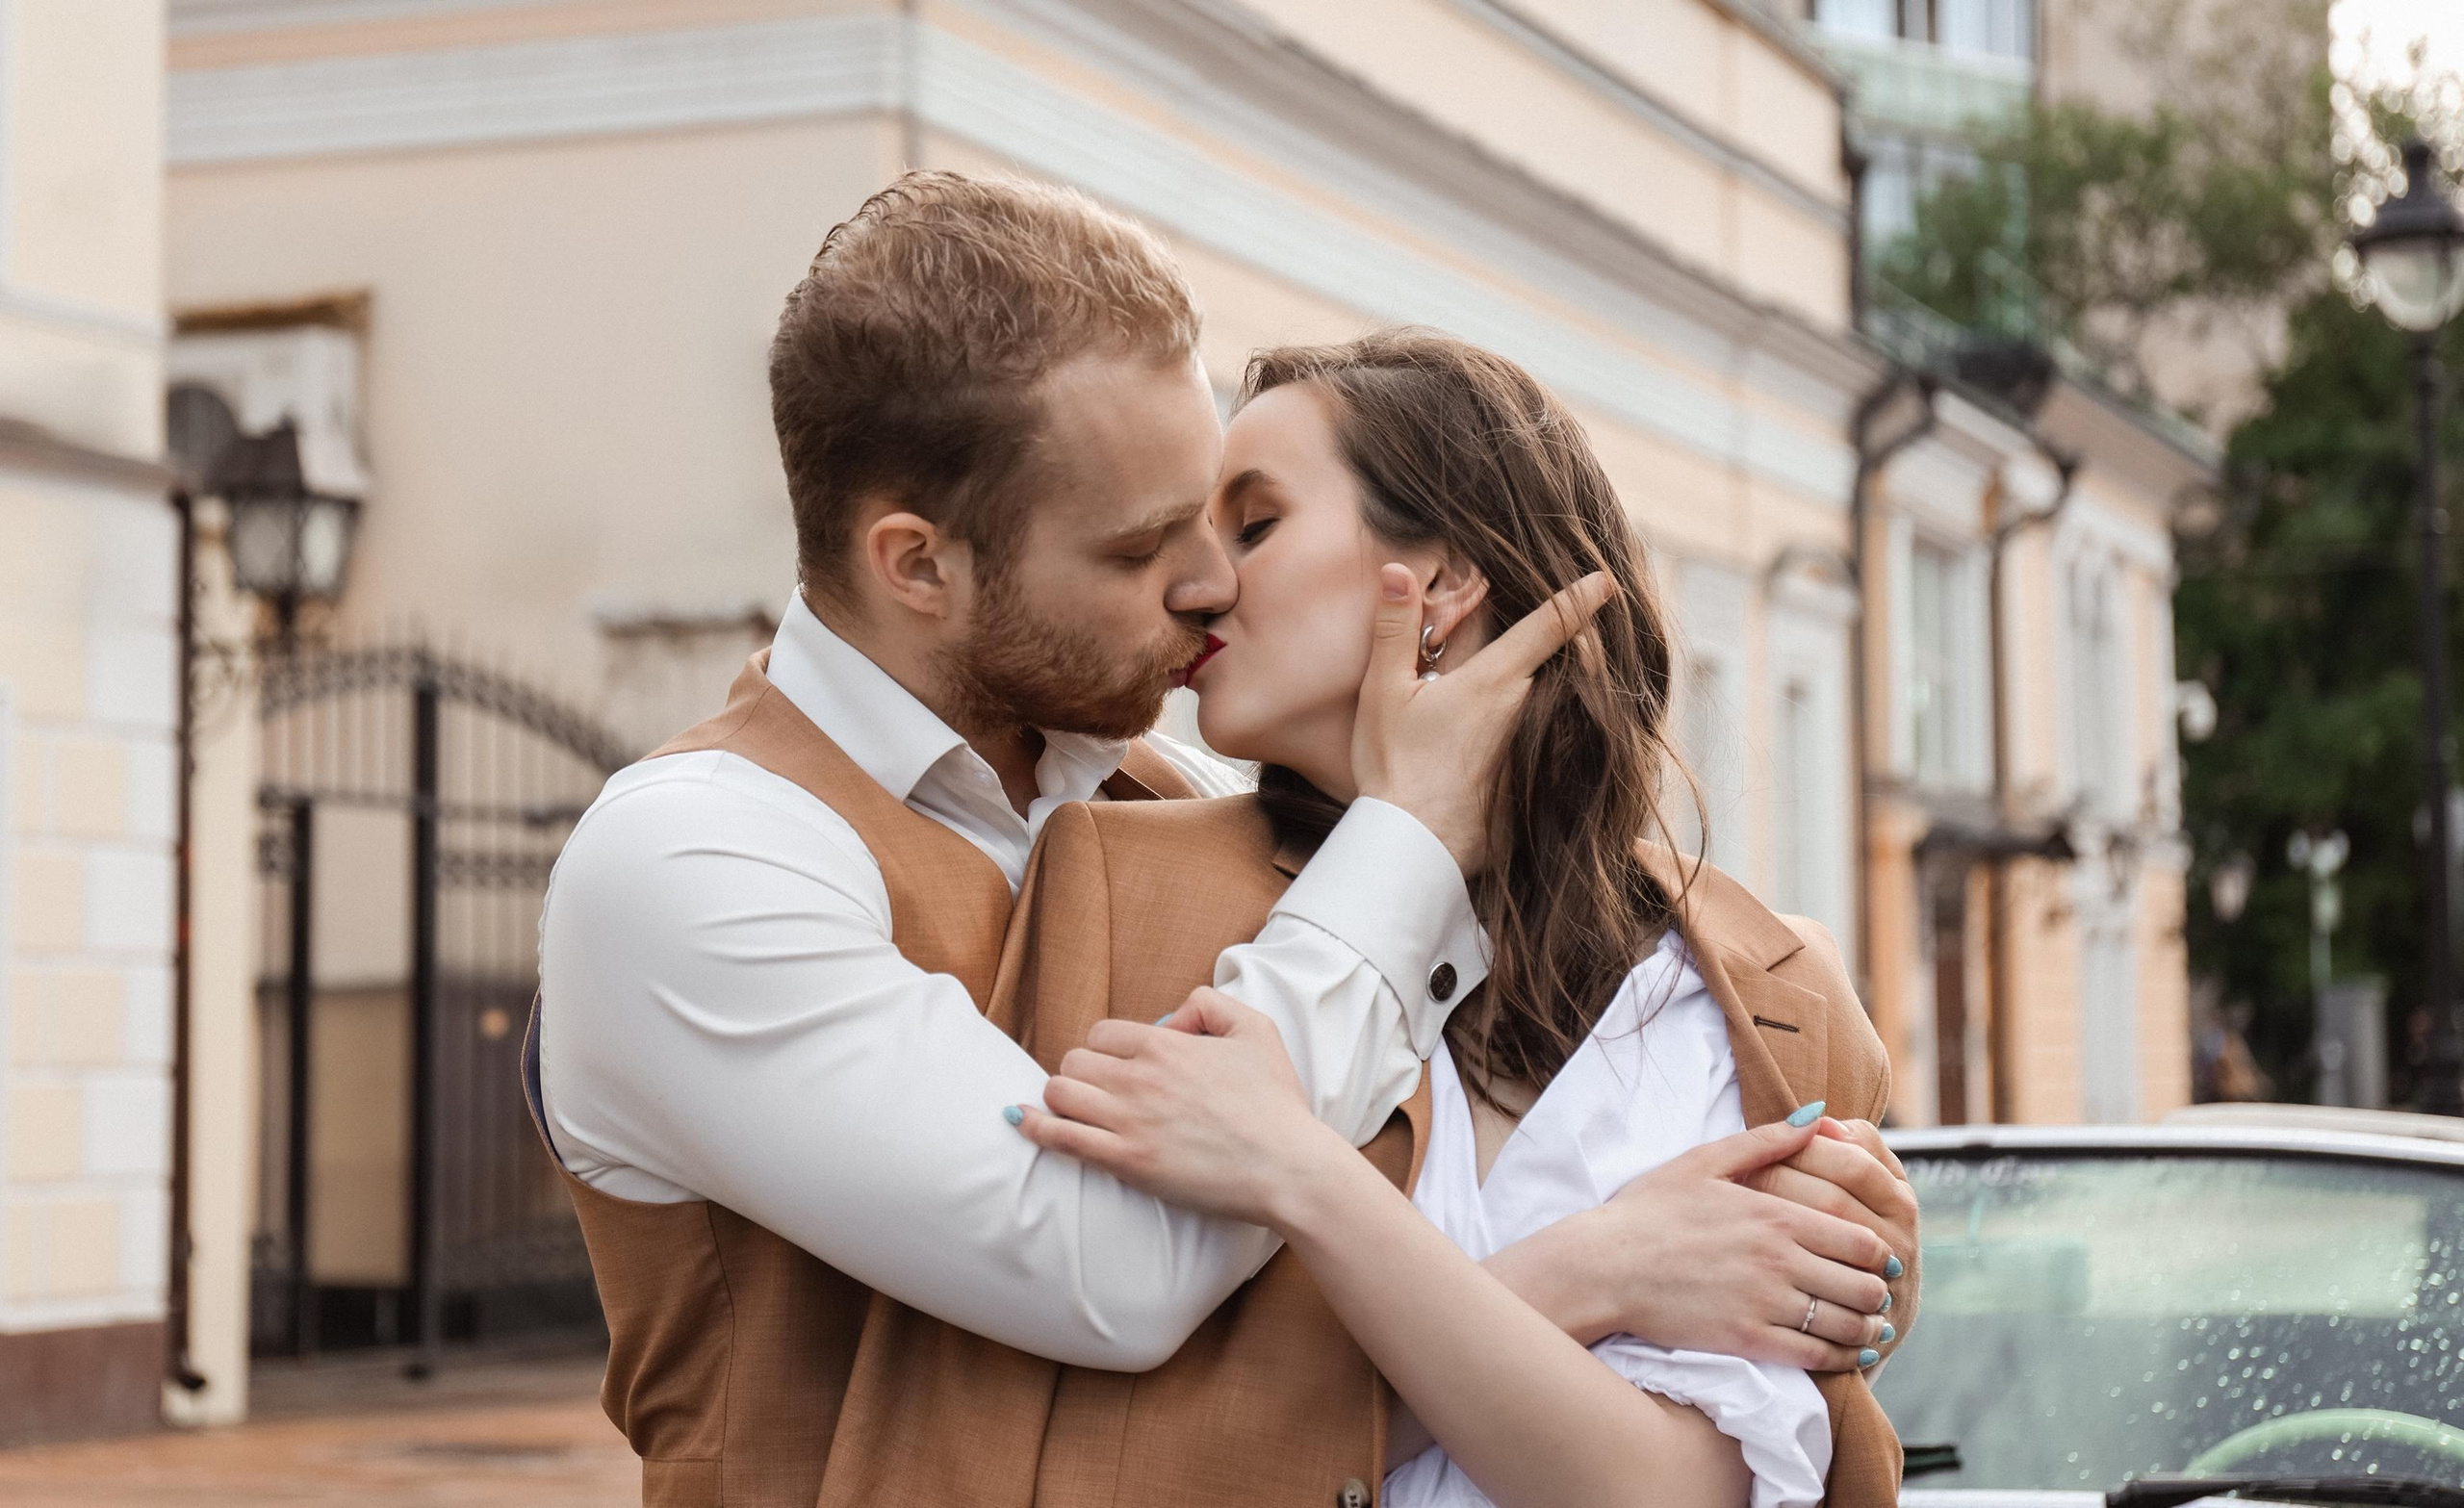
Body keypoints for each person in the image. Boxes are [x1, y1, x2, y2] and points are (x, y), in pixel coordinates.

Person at [531, 171, 1911, 1506]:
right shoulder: (695, 859)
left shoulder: (1168, 805)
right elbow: (1117, 1274)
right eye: (1143, 548)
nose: (1206, 583)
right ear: (919, 564)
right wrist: (1598, 1261)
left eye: (1230, 517)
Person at [975, 330, 1918, 1508]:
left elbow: (1675, 1491)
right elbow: (1082, 1426)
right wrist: (1601, 1266)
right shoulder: (1112, 883)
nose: (1203, 581)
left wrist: (1307, 1182)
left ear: (1445, 582)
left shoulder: (1729, 991)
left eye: (1255, 526)